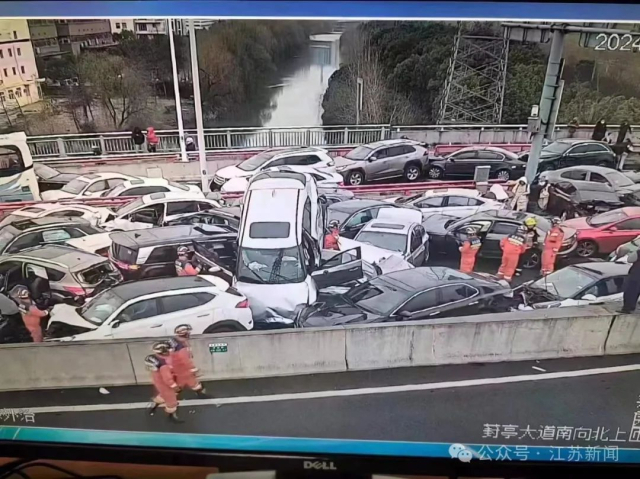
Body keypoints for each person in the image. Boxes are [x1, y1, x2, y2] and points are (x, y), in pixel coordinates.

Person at [145, 341, 181, 422]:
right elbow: (167, 379)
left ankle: (154, 405)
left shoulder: (157, 359)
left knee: (163, 395)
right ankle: (171, 416)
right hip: (165, 384)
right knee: (171, 400)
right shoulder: (164, 365)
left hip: (159, 382)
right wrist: (174, 386)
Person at [168, 324, 207, 397]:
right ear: (184, 333)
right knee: (192, 384)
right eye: (188, 332)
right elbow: (184, 358)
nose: (189, 334)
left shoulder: (175, 341)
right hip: (182, 369)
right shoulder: (181, 345)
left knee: (182, 385)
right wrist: (193, 368)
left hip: (178, 368)